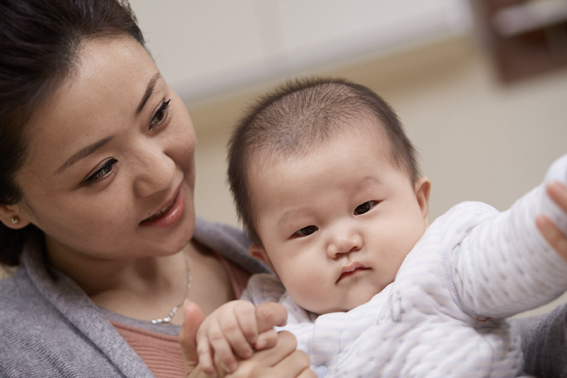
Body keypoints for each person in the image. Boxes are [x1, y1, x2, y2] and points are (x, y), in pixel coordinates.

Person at [0, 1, 315, 377]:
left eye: (158, 113)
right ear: (9, 206)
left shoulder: (272, 253)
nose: (163, 174)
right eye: (101, 170)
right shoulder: (16, 357)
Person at [196, 77, 567, 377]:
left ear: (419, 202)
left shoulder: (438, 262)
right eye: (306, 231)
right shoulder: (276, 321)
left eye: (364, 206)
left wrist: (552, 214)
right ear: (270, 262)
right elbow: (239, 356)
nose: (342, 242)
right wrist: (226, 334)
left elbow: (506, 254)